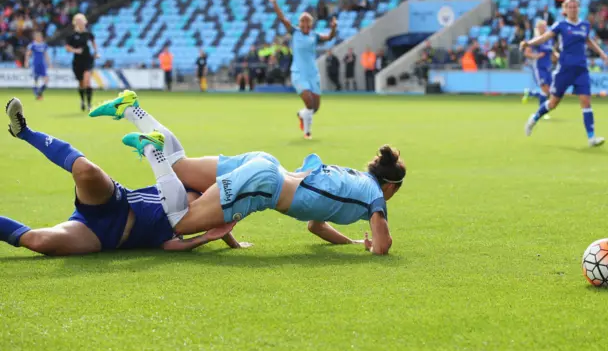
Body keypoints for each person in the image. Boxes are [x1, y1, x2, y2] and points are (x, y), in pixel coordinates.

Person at [90, 91, 406, 254]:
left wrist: (349, 242)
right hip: (264, 184)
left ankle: (133, 109)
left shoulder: (354, 180)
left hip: (265, 164)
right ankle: (150, 148)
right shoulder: (375, 196)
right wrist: (373, 244)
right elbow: (383, 245)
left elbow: (315, 226)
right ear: (390, 187)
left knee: (181, 167)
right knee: (182, 221)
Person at [0, 98, 248, 256]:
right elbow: (218, 209)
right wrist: (228, 238)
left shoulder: (189, 226)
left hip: (102, 238)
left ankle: (137, 119)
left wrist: (208, 238)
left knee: (38, 241)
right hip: (117, 203)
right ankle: (24, 132)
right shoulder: (188, 189)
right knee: (87, 171)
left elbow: (172, 245)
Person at [521, 0, 608, 147]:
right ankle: (534, 118)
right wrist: (529, 43)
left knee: (586, 102)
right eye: (570, 7)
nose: (573, 9)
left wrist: (602, 53)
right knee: (554, 102)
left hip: (581, 70)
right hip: (564, 70)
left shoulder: (584, 25)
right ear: (565, 10)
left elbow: (588, 41)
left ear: (579, 9)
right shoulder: (561, 25)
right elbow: (544, 37)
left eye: (575, 7)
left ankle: (591, 138)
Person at [265, 0, 338, 140]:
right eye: (302, 21)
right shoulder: (294, 32)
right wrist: (274, 2)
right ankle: (307, 132)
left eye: (308, 21)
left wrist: (333, 28)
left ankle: (302, 114)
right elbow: (282, 18)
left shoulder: (315, 36)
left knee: (315, 108)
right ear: (299, 23)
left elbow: (330, 37)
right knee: (309, 103)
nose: (305, 24)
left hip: (313, 73)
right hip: (298, 73)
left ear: (311, 24)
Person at [521, 20, 555, 120]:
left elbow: (551, 52)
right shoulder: (535, 40)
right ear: (538, 28)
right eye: (542, 27)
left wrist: (556, 57)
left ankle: (530, 93)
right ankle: (542, 112)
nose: (544, 29)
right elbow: (527, 53)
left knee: (549, 91)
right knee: (546, 90)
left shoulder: (549, 39)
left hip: (548, 67)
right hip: (539, 68)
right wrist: (536, 56)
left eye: (545, 27)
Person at [65, 13, 98, 111]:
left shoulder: (89, 34)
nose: (80, 23)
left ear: (85, 21)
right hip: (77, 61)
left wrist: (96, 53)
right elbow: (67, 48)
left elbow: (94, 45)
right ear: (75, 23)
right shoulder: (71, 35)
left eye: (81, 20)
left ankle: (89, 104)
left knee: (87, 81)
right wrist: (76, 50)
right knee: (81, 83)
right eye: (78, 21)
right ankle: (82, 100)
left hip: (88, 60)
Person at [24, 31, 50, 100]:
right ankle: (37, 94)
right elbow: (28, 54)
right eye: (38, 36)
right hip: (35, 64)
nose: (39, 38)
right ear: (35, 37)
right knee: (36, 79)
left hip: (42, 64)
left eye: (40, 36)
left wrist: (49, 63)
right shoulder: (32, 45)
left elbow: (46, 54)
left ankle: (39, 91)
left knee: (46, 79)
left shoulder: (44, 45)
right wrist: (26, 62)